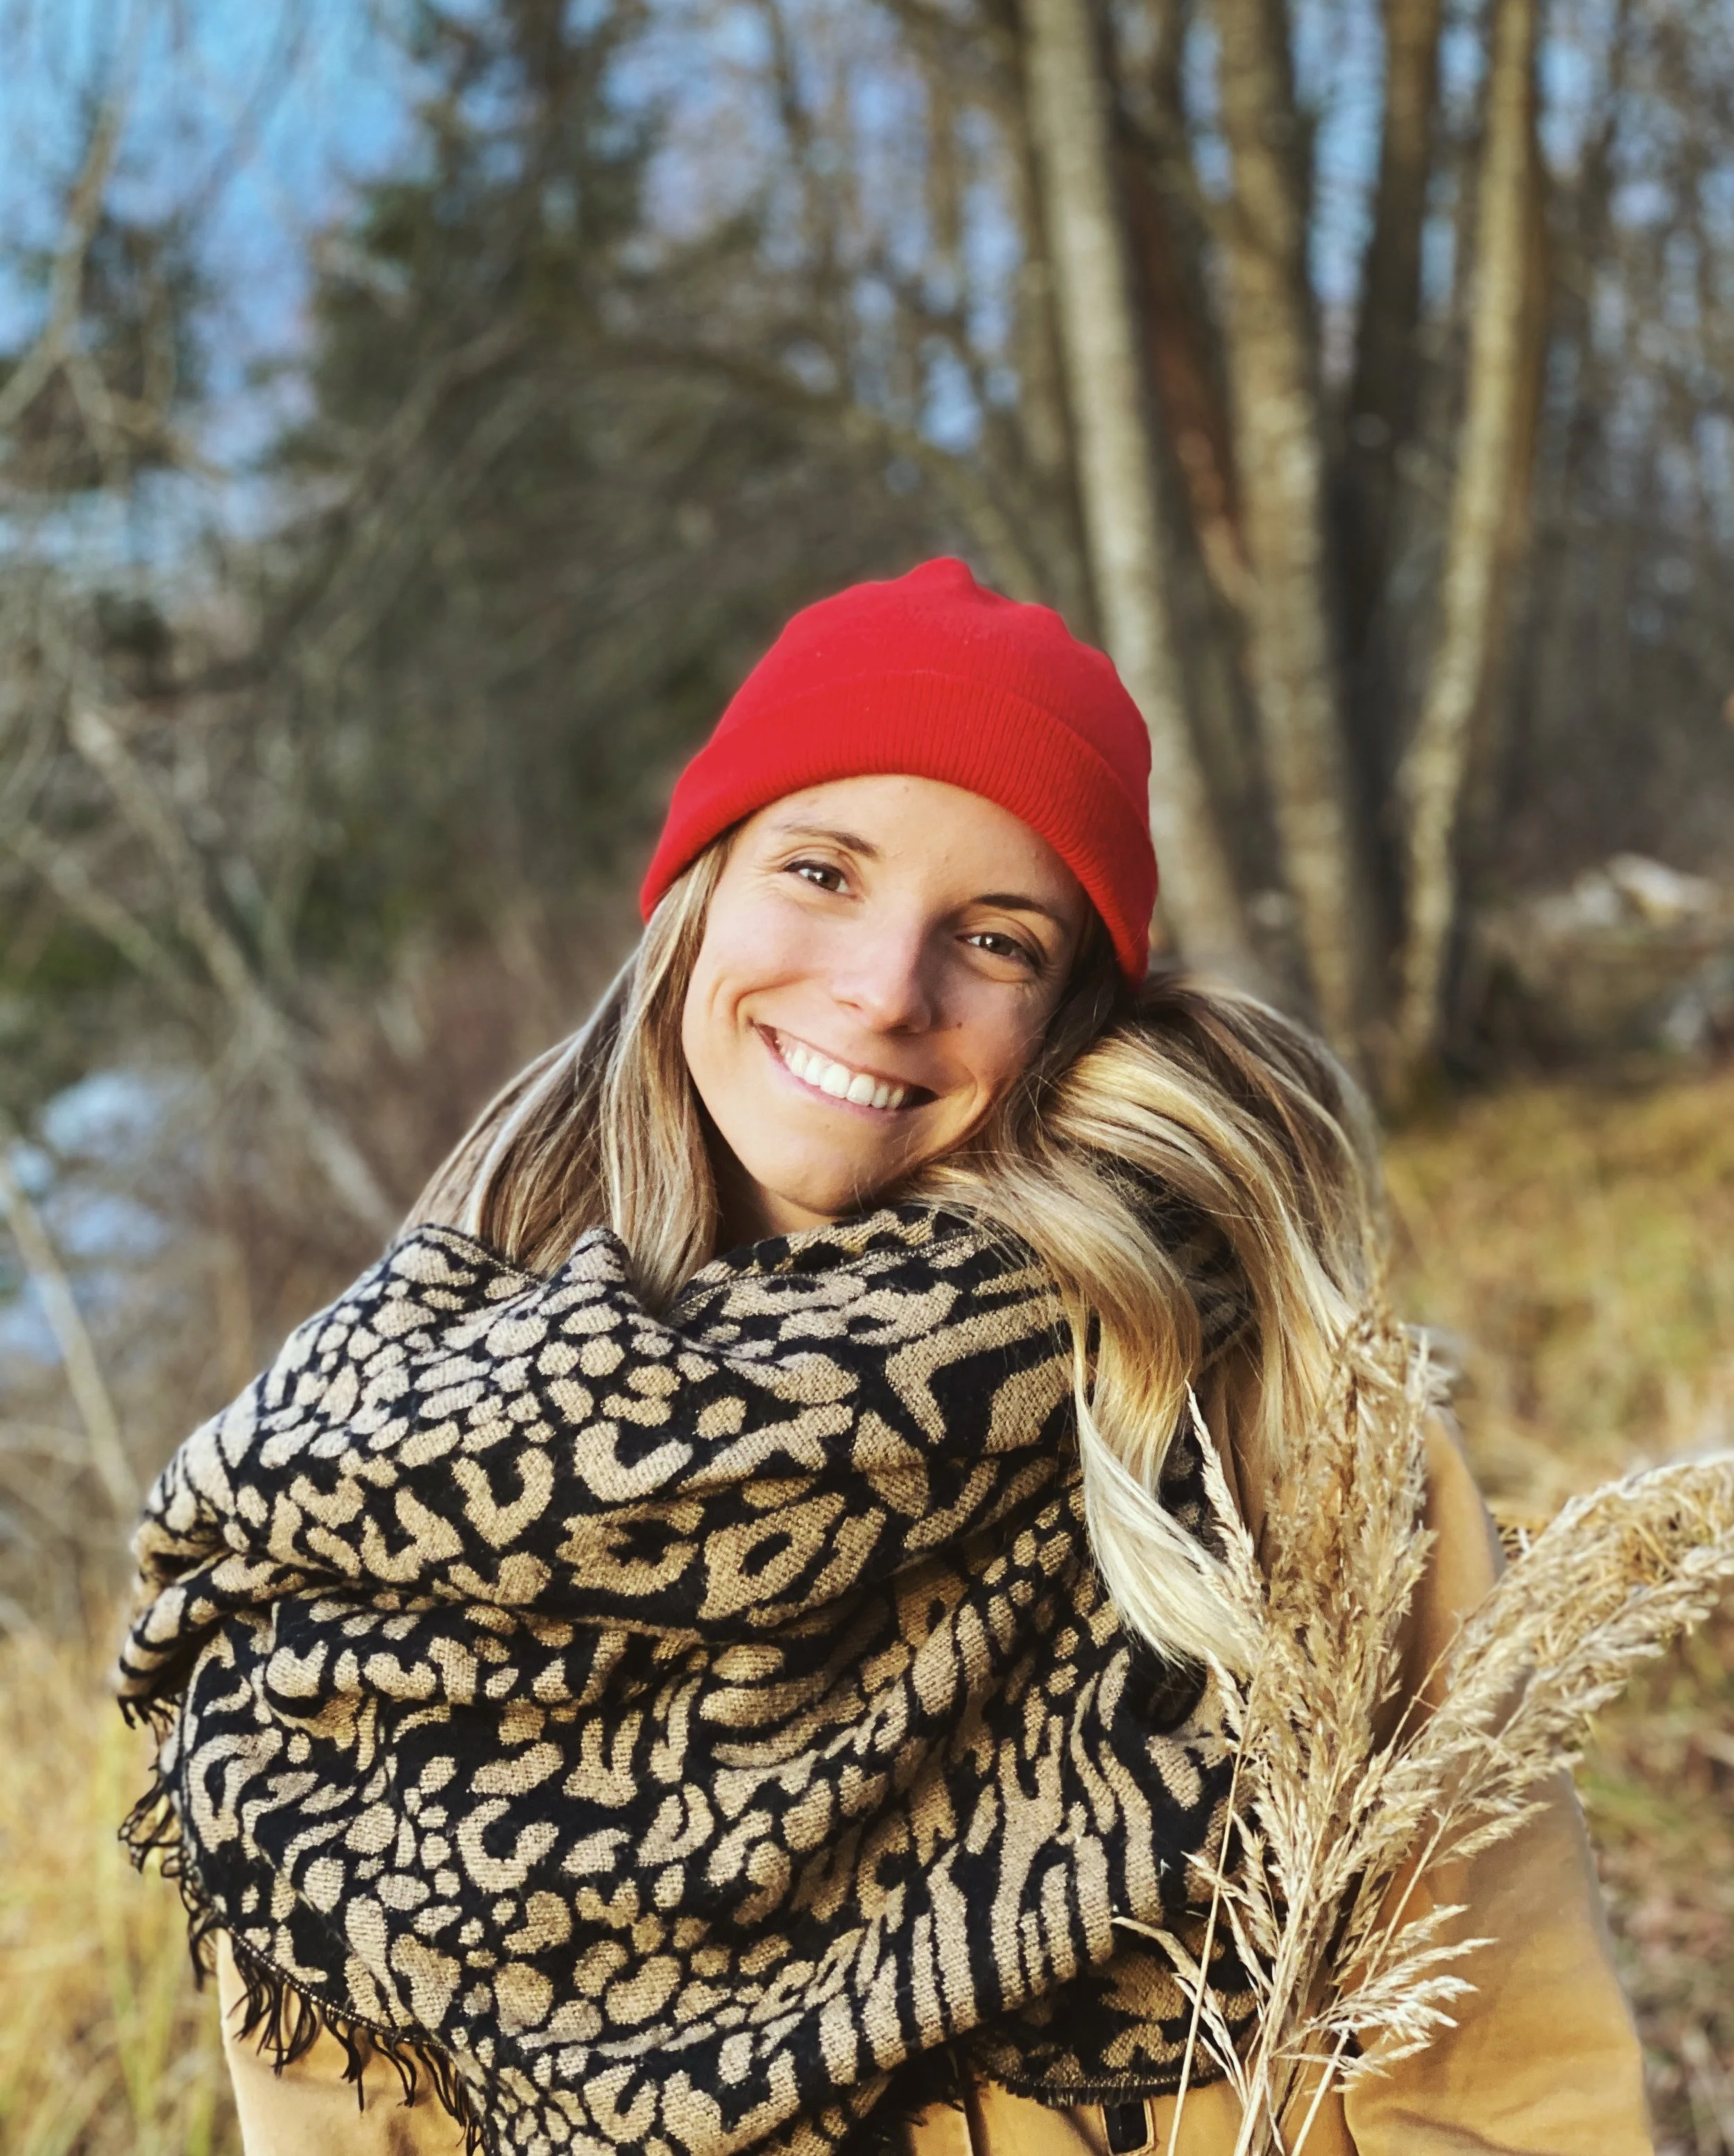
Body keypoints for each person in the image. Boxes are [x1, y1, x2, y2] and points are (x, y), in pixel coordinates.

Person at [120, 560, 1652, 2156]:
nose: (881, 989)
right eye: (821, 870)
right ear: (697, 886)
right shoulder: (367, 1492)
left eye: (992, 939)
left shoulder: (1252, 1416)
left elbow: (1507, 2074)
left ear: (1065, 1011)